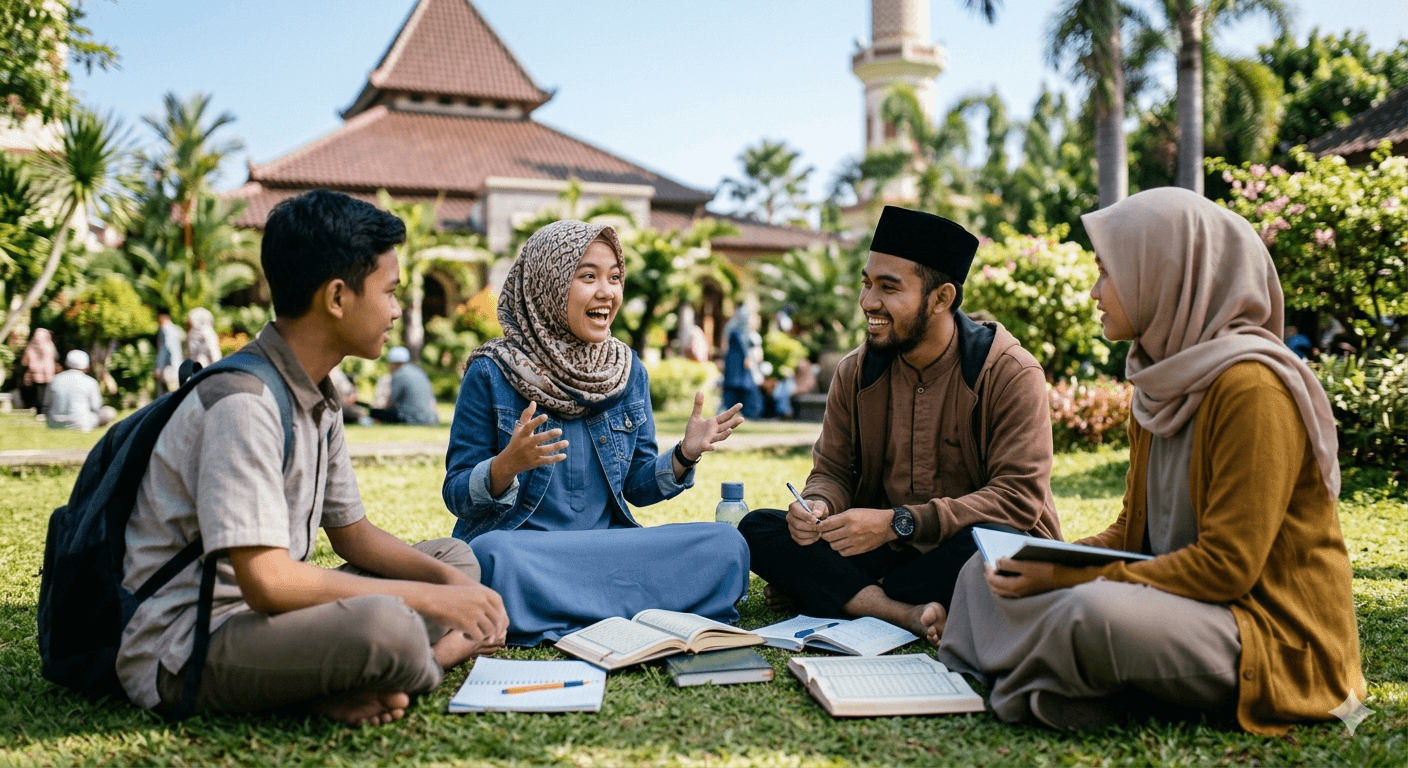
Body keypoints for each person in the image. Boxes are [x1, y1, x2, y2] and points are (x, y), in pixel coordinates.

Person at [938, 187, 1365, 735]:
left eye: (1107, 273)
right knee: (982, 573)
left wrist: (1073, 581)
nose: (1095, 292)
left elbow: (1226, 568)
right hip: (1177, 603)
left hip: (1266, 632)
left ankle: (1060, 683)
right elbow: (1131, 532)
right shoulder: (1158, 381)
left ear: (1165, 273)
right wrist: (1045, 560)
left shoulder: (1253, 389)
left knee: (1089, 613)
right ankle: (1064, 682)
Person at [117, 189, 508, 726]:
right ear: (337, 297)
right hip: (194, 642)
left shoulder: (317, 393)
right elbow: (269, 581)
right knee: (388, 626)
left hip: (270, 622)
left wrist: (452, 588)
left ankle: (349, 685)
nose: (396, 310)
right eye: (390, 293)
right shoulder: (244, 402)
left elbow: (353, 535)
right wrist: (433, 605)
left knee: (456, 561)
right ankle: (427, 663)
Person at [738, 205, 1060, 646]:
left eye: (889, 288)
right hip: (889, 556)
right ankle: (900, 612)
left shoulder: (1008, 370)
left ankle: (835, 592)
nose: (869, 302)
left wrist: (898, 523)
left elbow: (1017, 500)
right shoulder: (857, 371)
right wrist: (817, 506)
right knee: (760, 528)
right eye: (867, 284)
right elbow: (831, 471)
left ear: (941, 298)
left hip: (969, 552)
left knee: (996, 550)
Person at [443, 219, 749, 646]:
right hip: (530, 553)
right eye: (588, 276)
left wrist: (684, 455)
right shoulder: (491, 372)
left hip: (609, 549)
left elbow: (637, 487)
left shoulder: (627, 371)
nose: (607, 291)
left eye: (615, 277)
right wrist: (504, 467)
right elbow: (456, 492)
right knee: (491, 557)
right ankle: (625, 605)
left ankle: (563, 607)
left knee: (724, 544)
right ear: (546, 285)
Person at [45, 350, 116, 432]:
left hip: (54, 424)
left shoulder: (54, 379)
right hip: (80, 424)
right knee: (109, 412)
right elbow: (96, 406)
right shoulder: (90, 382)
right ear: (86, 367)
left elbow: (47, 403)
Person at [368, 346, 439, 425]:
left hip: (412, 418)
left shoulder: (398, 374)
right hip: (430, 418)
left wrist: (376, 404)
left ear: (393, 362)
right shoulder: (418, 371)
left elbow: (391, 401)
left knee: (375, 412)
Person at [721, 304, 764, 419]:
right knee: (740, 391)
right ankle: (745, 413)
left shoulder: (732, 328)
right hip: (739, 368)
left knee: (737, 391)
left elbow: (724, 346)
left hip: (737, 367)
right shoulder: (738, 330)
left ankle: (742, 414)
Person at [20, 327, 58, 416]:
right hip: (48, 373)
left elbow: (25, 360)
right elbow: (55, 357)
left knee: (37, 392)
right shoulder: (49, 345)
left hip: (35, 373)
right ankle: (44, 409)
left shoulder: (31, 345)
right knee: (46, 391)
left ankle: (38, 409)